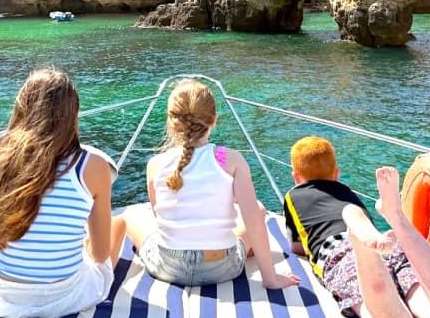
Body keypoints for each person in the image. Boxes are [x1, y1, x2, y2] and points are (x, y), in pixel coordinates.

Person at [0, 68, 126, 318]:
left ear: (22, 110)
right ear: (72, 116)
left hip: (3, 289)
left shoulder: (0, 161)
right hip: (62, 293)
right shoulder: (92, 165)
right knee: (119, 224)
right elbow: (99, 255)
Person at [284, 137, 430, 318]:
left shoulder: (293, 196)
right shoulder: (347, 192)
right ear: (336, 174)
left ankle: (355, 226)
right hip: (387, 245)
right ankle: (396, 218)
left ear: (296, 177)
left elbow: (296, 246)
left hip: (340, 252)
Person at [120, 79, 299, 290]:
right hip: (223, 268)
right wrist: (270, 278)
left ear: (171, 122)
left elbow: (159, 217)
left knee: (131, 215)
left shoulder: (156, 163)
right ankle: (242, 250)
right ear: (214, 120)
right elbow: (252, 218)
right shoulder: (230, 159)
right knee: (257, 210)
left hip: (167, 266)